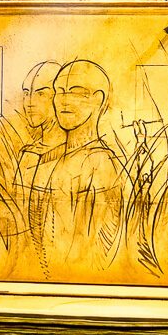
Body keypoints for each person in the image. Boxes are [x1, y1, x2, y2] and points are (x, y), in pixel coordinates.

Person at [31, 60, 126, 278]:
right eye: (59, 92)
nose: (63, 100)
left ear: (98, 99)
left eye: (76, 92)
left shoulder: (100, 163)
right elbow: (35, 235)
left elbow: (101, 250)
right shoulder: (47, 161)